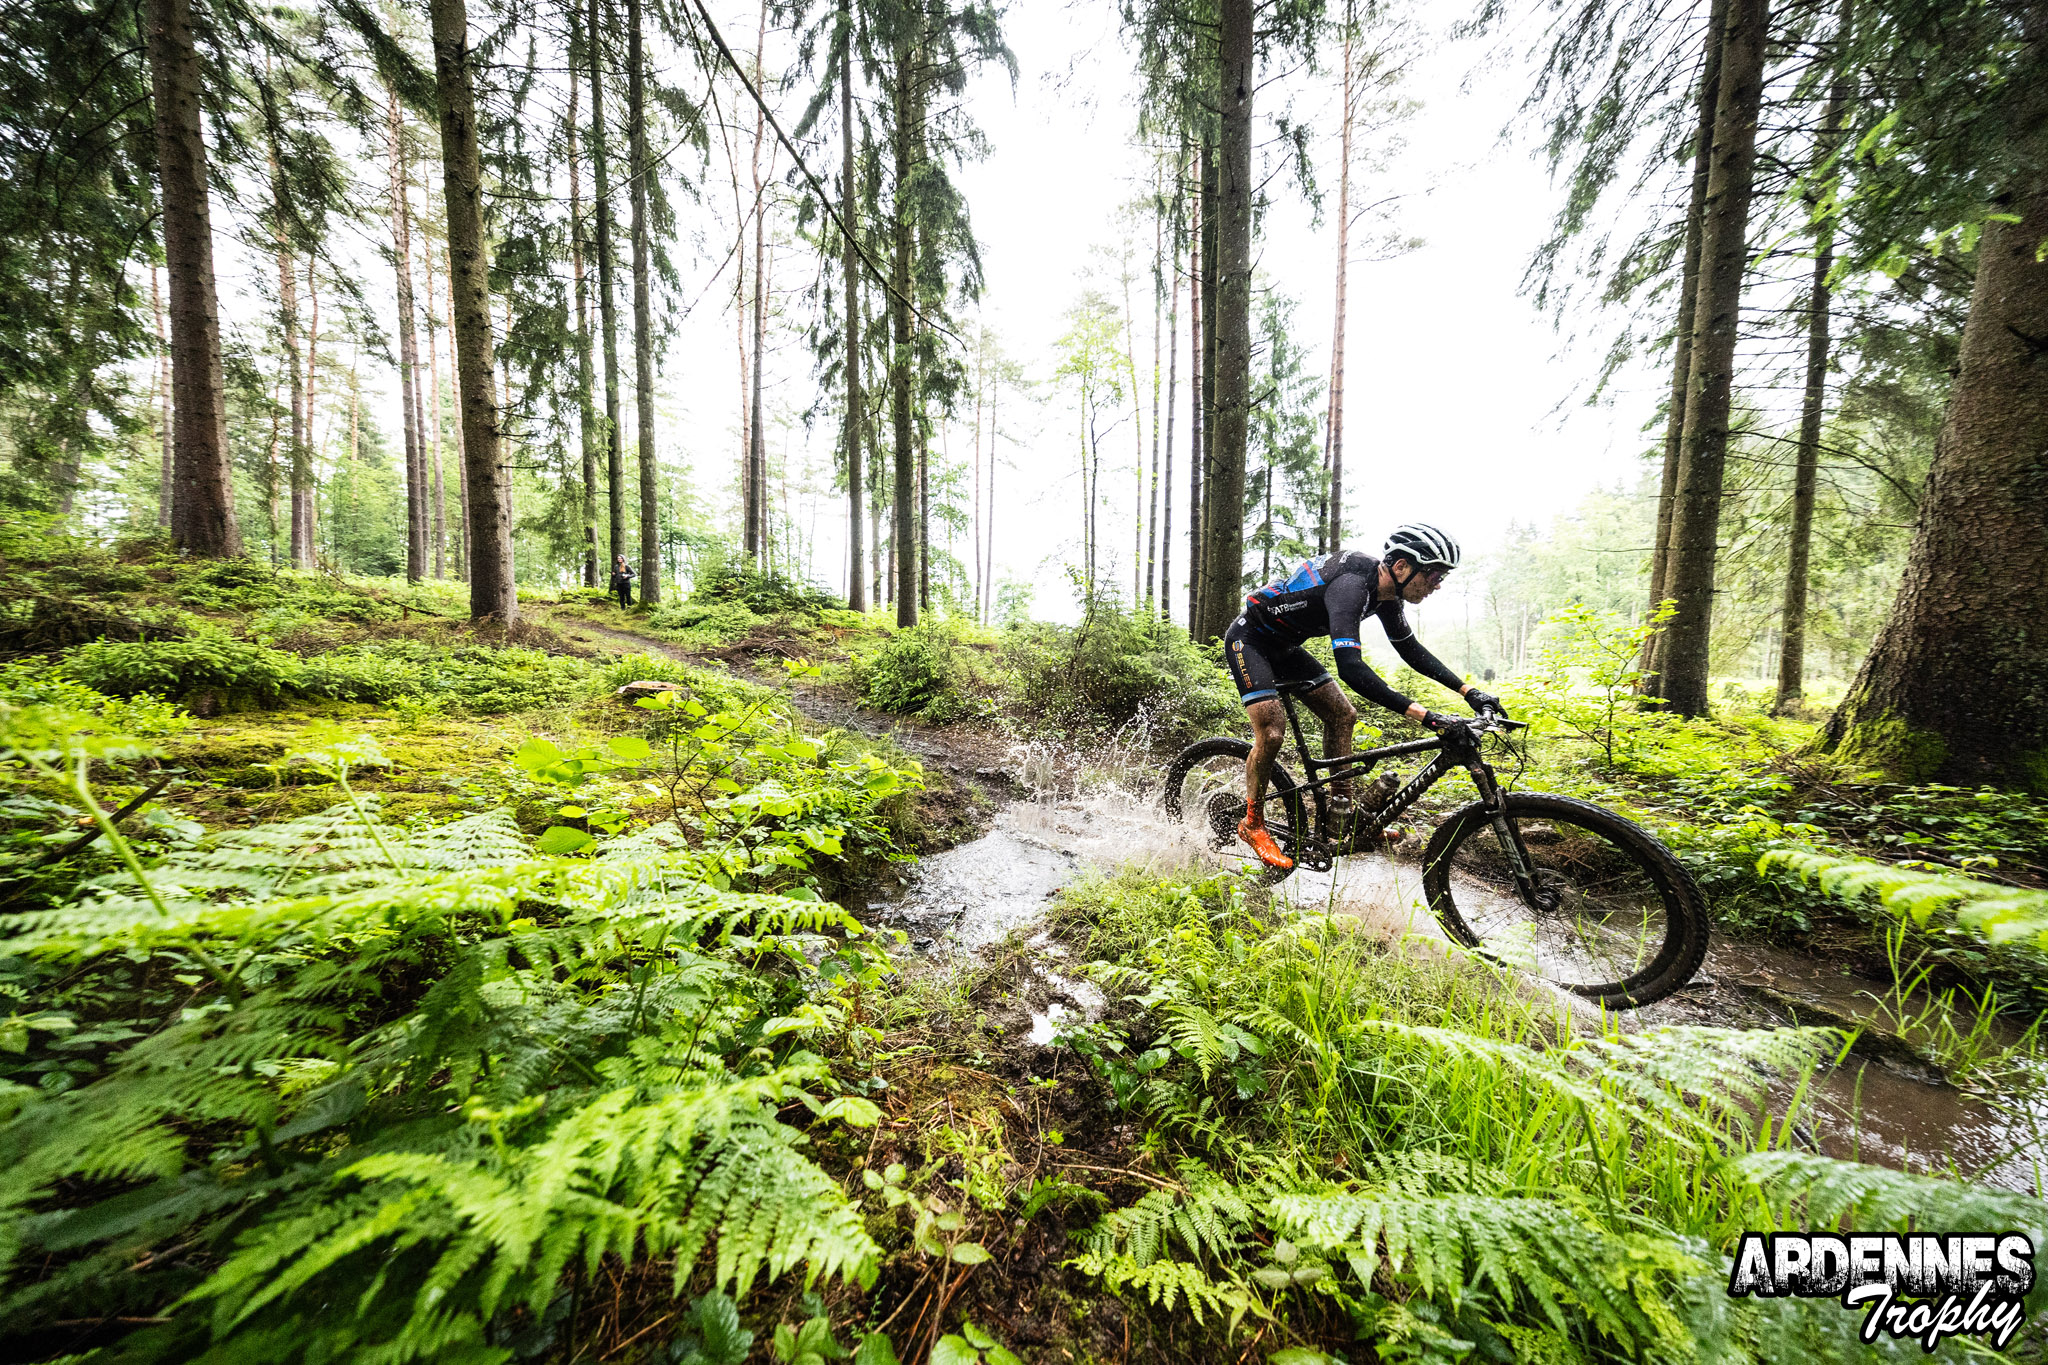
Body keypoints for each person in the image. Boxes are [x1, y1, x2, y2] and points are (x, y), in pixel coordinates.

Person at [1222, 522, 1501, 870]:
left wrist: (1469, 691)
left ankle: (1340, 814)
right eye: (1433, 575)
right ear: (1402, 567)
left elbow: (1410, 650)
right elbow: (1351, 669)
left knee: (1343, 715)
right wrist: (1427, 717)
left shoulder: (1386, 593)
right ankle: (1252, 823)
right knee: (1272, 732)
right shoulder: (1351, 587)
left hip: (1286, 647)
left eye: (1441, 577)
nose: (1437, 584)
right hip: (1250, 640)